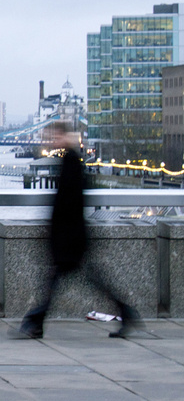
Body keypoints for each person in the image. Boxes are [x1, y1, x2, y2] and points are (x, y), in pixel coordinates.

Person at [13, 122, 142, 339]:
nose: (52, 141)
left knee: (58, 284)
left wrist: (58, 234)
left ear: (65, 136)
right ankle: (126, 314)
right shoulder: (70, 160)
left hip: (70, 238)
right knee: (85, 282)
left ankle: (35, 323)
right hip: (71, 237)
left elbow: (69, 203)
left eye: (55, 137)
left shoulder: (71, 161)